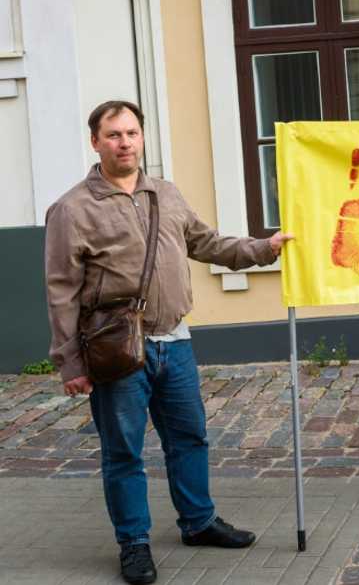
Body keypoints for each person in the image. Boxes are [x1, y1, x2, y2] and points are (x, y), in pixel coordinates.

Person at [44, 100, 294, 584]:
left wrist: (263, 249)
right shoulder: (72, 209)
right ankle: (134, 544)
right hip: (117, 350)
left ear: (142, 137)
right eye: (114, 135)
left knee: (189, 438)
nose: (125, 143)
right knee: (124, 452)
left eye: (132, 133)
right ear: (95, 142)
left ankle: (198, 522)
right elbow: (61, 291)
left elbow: (207, 243)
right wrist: (70, 362)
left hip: (175, 342)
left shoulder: (166, 194)